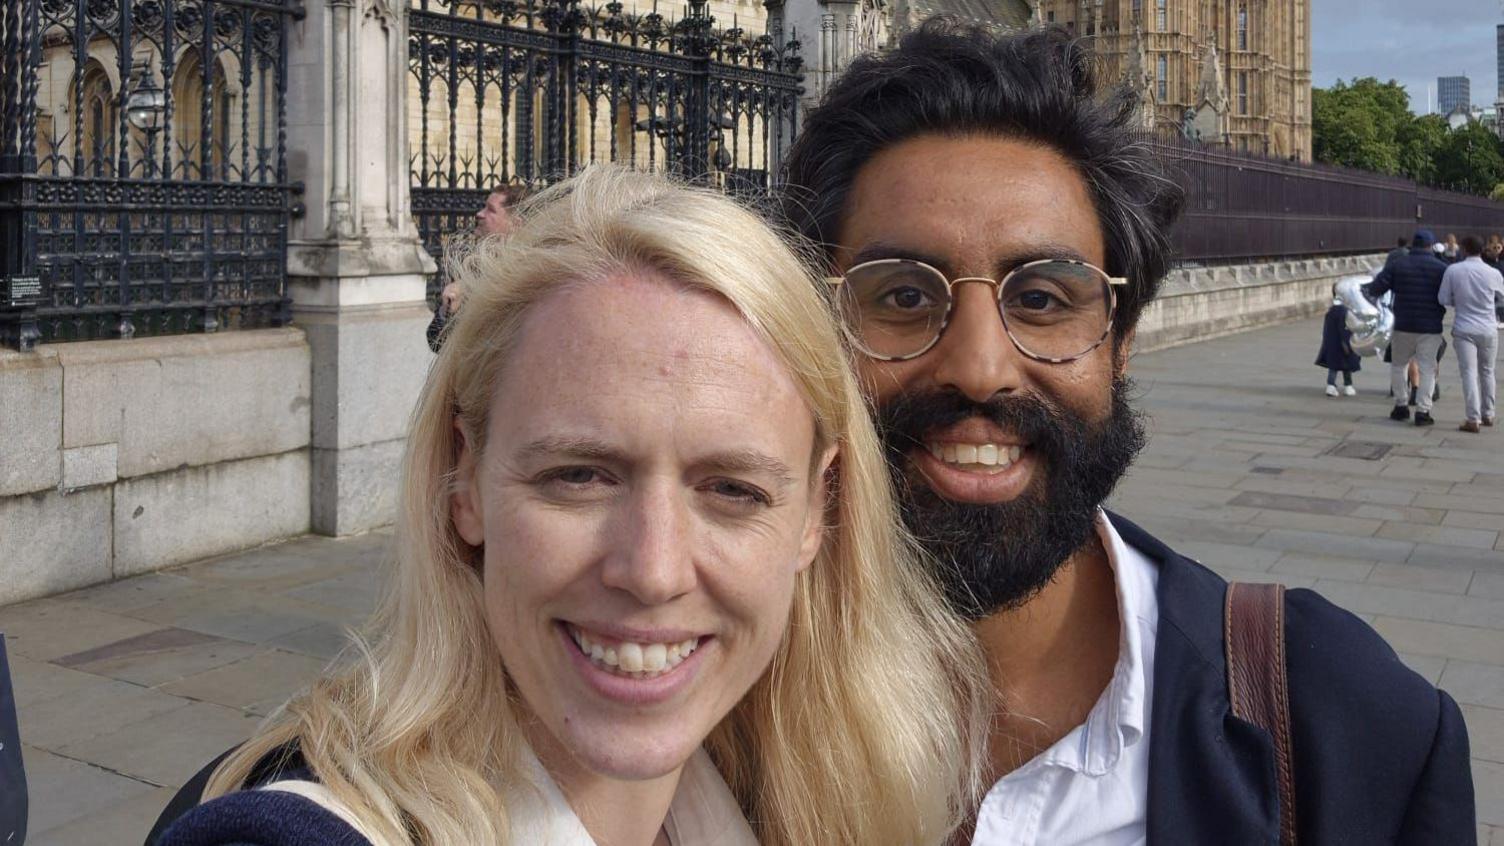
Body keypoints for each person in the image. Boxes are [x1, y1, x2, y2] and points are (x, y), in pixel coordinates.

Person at [781, 20, 1474, 844]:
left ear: (1123, 340)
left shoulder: (1349, 730)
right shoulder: (692, 704)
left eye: (1042, 298)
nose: (979, 366)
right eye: (901, 295)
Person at [152, 166, 986, 846]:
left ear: (817, 512)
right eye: (579, 476)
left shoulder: (785, 804)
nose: (653, 570)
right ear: (464, 480)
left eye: (733, 490)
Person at [426, 184, 526, 352]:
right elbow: (435, 341)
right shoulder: (472, 266)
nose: (479, 214)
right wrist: (446, 310)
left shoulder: (525, 275)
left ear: (515, 224)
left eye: (490, 210)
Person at [1369, 230, 1450, 426]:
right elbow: (1448, 296)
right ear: (1431, 246)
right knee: (1428, 369)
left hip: (1403, 324)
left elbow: (1376, 288)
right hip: (1430, 326)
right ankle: (1423, 411)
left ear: (1413, 245)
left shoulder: (1398, 265)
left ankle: (1401, 405)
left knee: (1399, 365)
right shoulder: (1441, 268)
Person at [1438, 234, 1504, 432]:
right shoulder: (1492, 272)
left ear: (1463, 249)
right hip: (1488, 327)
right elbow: (1502, 297)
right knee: (1488, 371)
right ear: (1482, 249)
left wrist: (1458, 301)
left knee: (1468, 372)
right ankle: (1489, 413)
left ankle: (1472, 418)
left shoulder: (1453, 270)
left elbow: (1443, 298)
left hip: (1464, 327)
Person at [1315, 283, 1360, 397]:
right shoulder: (1345, 312)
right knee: (1347, 366)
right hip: (1344, 343)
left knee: (1333, 366)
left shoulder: (1331, 311)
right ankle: (1348, 385)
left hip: (1332, 343)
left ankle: (1331, 385)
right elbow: (1346, 329)